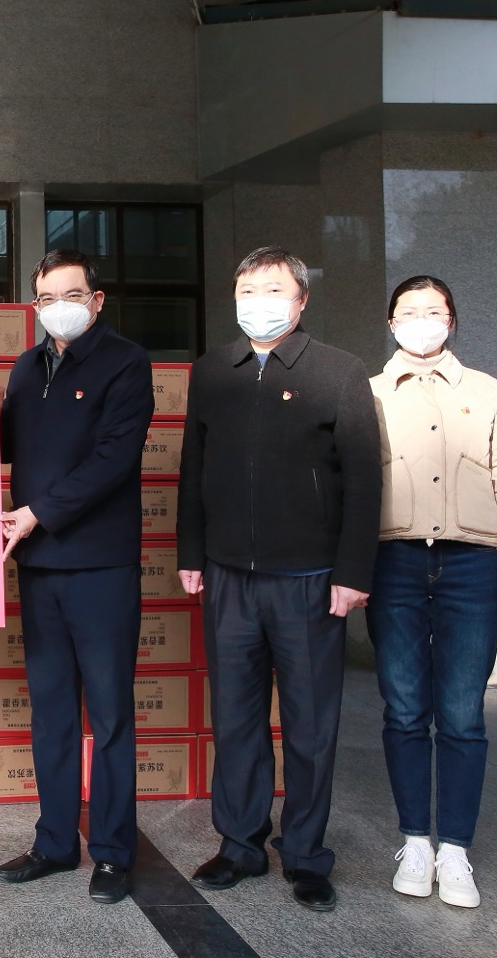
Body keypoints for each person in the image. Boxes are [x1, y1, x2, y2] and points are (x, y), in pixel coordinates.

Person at [177, 246, 381, 912]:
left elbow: (364, 480)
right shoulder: (213, 370)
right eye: (246, 290)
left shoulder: (339, 372)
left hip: (310, 579)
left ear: (300, 300)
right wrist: (190, 552)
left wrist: (352, 572)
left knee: (310, 726)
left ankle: (306, 855)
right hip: (228, 576)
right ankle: (239, 844)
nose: (257, 302)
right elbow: (192, 467)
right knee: (235, 719)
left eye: (272, 290)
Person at [367, 275, 497, 910]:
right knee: (405, 708)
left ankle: (456, 849)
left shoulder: (485, 391)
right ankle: (415, 840)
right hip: (394, 562)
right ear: (391, 324)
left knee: (464, 713)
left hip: (472, 564)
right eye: (409, 311)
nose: (422, 320)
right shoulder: (370, 392)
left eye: (434, 311)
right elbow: (354, 487)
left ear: (452, 321)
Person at [0, 249, 155, 904]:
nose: (57, 308)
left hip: (100, 566)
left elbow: (113, 459)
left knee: (110, 714)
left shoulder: (126, 362)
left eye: (70, 295)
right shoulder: (26, 367)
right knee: (52, 712)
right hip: (38, 566)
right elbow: (2, 444)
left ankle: (113, 853)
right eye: (45, 298)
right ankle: (55, 842)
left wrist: (37, 513)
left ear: (96, 299)